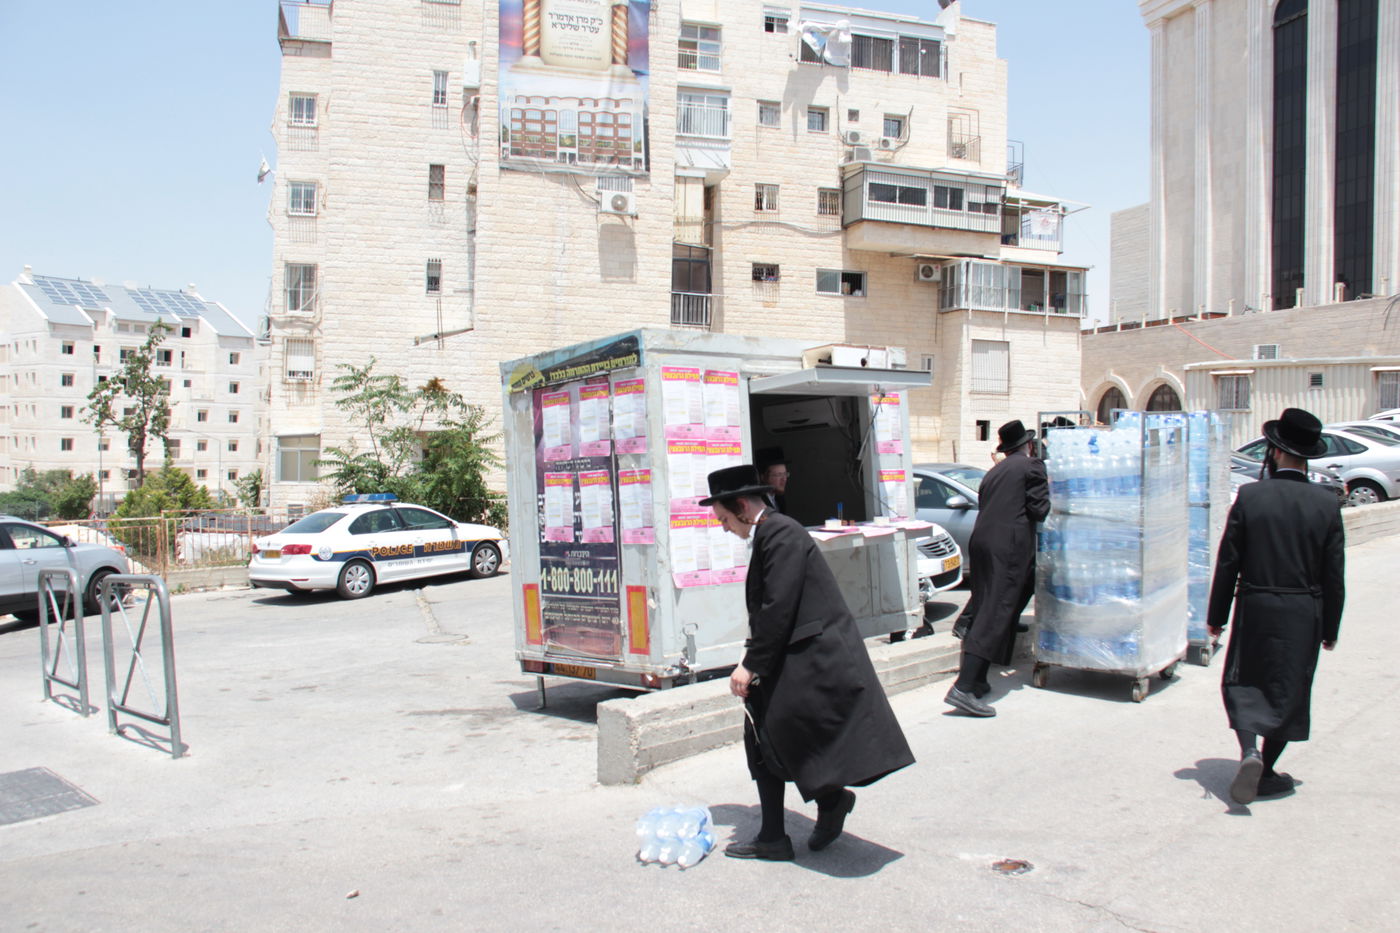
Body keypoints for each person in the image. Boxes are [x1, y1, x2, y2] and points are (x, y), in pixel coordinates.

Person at [700, 464, 915, 860]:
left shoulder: (780, 533)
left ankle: (792, 826)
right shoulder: (771, 532)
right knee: (770, 738)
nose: (725, 527)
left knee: (771, 737)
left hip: (815, 659)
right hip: (799, 654)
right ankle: (808, 815)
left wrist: (751, 664)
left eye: (725, 518)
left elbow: (777, 606)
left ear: (744, 506)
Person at [1208, 407, 1345, 805]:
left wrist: (1217, 617)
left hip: (1256, 602)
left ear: (1274, 450)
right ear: (1307, 456)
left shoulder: (1251, 496)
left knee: (1244, 679)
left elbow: (1227, 561)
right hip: (1304, 610)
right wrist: (1331, 628)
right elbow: (1333, 574)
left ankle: (1249, 751)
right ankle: (1265, 770)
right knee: (1289, 690)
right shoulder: (1325, 503)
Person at [945, 419, 1050, 717]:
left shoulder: (994, 472)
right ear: (1028, 445)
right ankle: (963, 688)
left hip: (982, 543)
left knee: (990, 604)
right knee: (996, 609)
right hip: (1009, 547)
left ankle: (977, 679)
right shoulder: (1032, 467)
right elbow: (1039, 509)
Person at [756, 448, 790, 514]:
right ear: (763, 477)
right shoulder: (759, 502)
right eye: (778, 475)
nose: (784, 479)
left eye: (785, 474)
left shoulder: (779, 499)